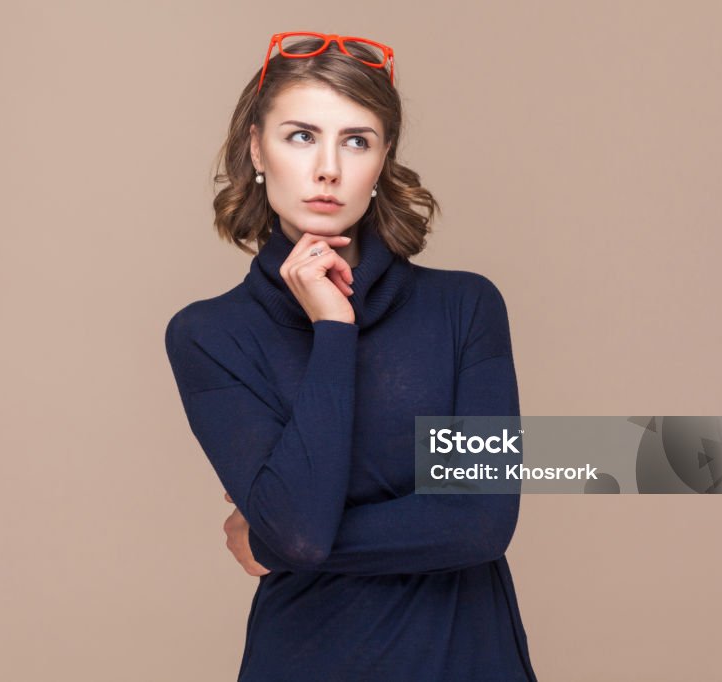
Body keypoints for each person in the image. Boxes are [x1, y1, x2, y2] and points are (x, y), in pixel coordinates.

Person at [165, 31, 537, 681]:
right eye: (301, 136)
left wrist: (265, 537)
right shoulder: (210, 334)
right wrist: (333, 330)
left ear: (383, 157)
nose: (328, 168)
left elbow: (482, 520)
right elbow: (299, 537)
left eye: (356, 140)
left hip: (469, 658)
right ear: (256, 146)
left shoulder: (465, 308)